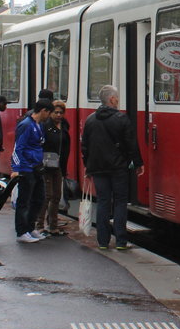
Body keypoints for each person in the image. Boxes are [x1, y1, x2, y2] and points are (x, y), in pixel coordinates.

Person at [81, 85, 144, 250]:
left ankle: (102, 241)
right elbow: (131, 144)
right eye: (116, 97)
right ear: (112, 99)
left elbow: (85, 146)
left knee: (103, 201)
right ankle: (121, 241)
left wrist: (87, 167)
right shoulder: (121, 119)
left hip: (98, 168)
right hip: (118, 168)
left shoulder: (90, 120)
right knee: (120, 202)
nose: (118, 100)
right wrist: (137, 163)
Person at [11, 99, 53, 243]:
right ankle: (21, 231)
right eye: (49, 113)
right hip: (26, 168)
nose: (49, 116)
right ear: (43, 111)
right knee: (24, 200)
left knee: (39, 198)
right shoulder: (26, 125)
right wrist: (17, 168)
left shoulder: (38, 125)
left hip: (36, 167)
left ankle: (30, 227)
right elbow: (18, 148)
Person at [39, 100, 71, 236]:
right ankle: (39, 225)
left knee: (57, 195)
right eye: (56, 112)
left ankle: (53, 225)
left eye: (61, 113)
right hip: (46, 165)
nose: (58, 115)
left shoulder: (64, 126)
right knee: (47, 195)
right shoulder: (45, 126)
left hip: (58, 165)